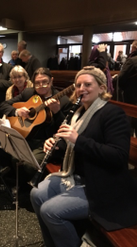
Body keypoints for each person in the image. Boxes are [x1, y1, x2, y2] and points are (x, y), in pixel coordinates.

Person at [30, 66, 137, 247]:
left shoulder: (112, 114)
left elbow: (118, 156)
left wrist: (78, 139)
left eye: (88, 84)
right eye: (78, 85)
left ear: (102, 88)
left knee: (50, 211)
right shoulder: (79, 113)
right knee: (36, 194)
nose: (82, 88)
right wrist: (55, 146)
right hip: (75, 176)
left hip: (102, 185)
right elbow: (70, 144)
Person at [0, 67, 71, 183]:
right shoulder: (28, 93)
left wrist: (57, 113)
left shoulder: (64, 101)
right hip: (25, 136)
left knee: (29, 166)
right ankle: (14, 181)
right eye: (37, 83)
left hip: (45, 143)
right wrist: (17, 111)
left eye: (45, 82)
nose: (41, 86)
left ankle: (28, 191)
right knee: (5, 149)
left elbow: (66, 128)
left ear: (51, 81)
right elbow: (3, 105)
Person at [0, 65, 33, 183]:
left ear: (25, 77)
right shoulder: (10, 90)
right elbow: (5, 108)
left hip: (28, 126)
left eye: (20, 76)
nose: (17, 80)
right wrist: (3, 124)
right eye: (14, 77)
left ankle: (10, 170)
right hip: (13, 122)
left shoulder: (32, 89)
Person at [113, 40, 137, 135]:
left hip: (131, 96)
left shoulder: (132, 60)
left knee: (130, 122)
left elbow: (121, 78)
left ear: (134, 48)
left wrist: (115, 79)